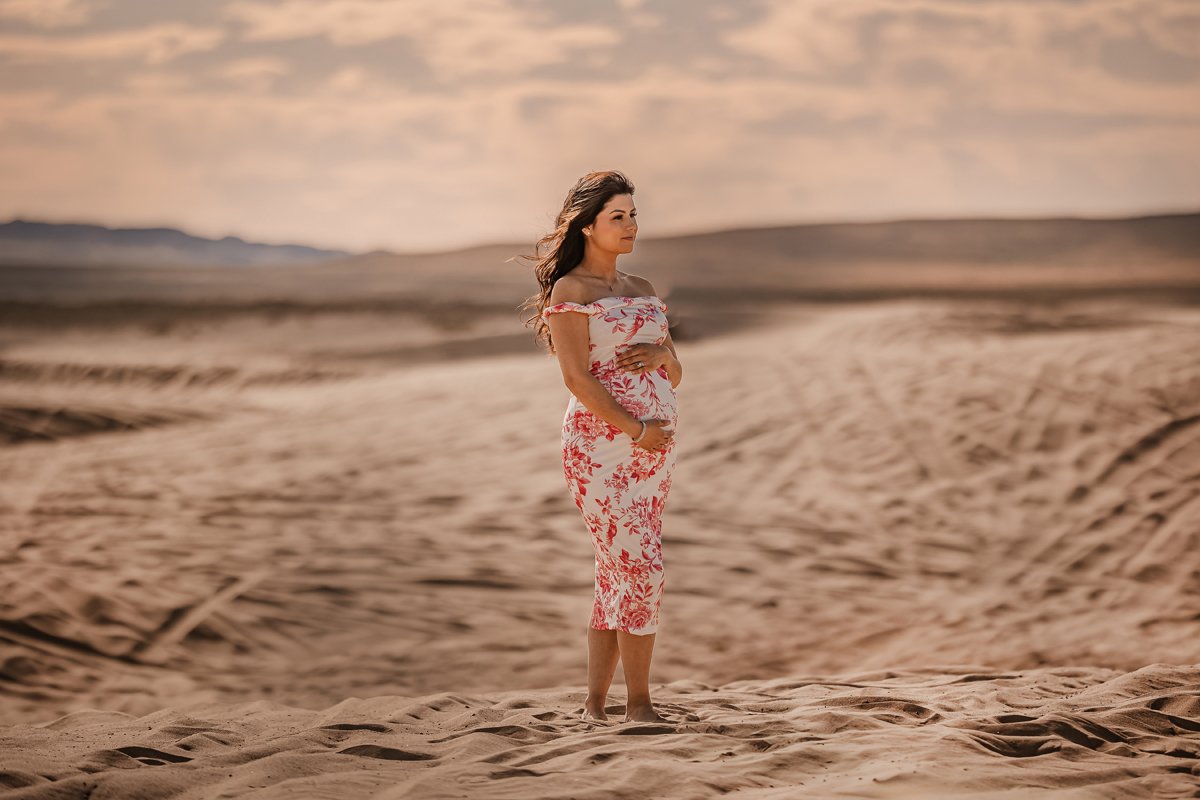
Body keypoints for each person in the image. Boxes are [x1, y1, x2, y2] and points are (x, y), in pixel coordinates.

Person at [519, 170, 682, 725]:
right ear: (588, 227)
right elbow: (576, 378)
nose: (632, 225)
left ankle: (595, 705)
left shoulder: (643, 290)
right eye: (619, 216)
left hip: (654, 453)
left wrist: (662, 358)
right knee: (642, 566)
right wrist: (637, 430)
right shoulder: (572, 293)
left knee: (617, 568)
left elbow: (675, 370)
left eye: (634, 214)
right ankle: (639, 705)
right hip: (601, 448)